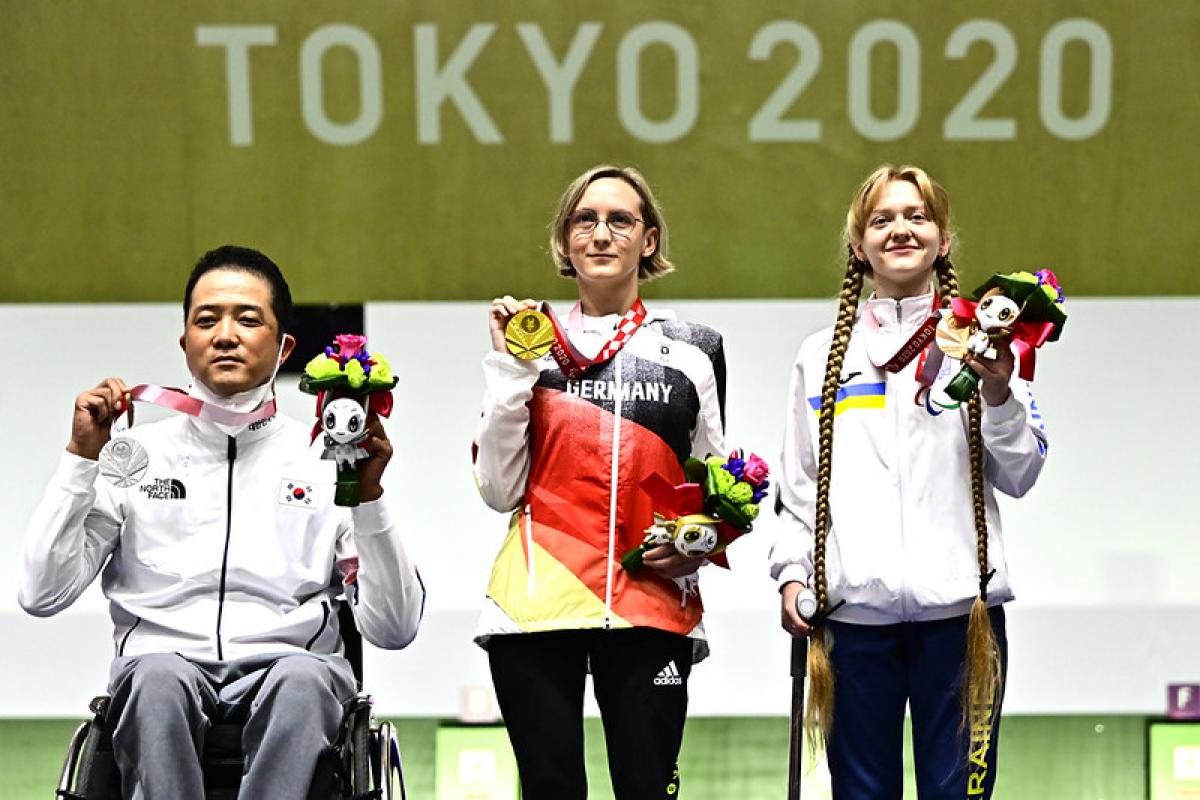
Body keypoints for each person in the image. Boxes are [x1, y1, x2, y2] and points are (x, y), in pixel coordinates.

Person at [18, 245, 425, 800]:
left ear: (284, 348)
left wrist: (369, 494)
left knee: (302, 681)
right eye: (206, 319)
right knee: (159, 679)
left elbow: (395, 628)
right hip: (160, 670)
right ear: (185, 343)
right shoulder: (133, 456)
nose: (225, 334)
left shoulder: (327, 458)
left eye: (247, 318)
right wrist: (79, 459)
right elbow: (41, 594)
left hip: (292, 669)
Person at [771, 166, 1048, 799]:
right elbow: (798, 485)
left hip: (962, 621)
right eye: (882, 219)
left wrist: (1001, 390)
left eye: (917, 216)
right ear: (858, 245)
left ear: (944, 240)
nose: (901, 229)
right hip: (852, 620)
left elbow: (1023, 471)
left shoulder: (984, 343)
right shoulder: (821, 357)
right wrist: (791, 573)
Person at [472, 165, 727, 799]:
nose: (601, 233)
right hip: (536, 603)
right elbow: (497, 490)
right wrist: (510, 371)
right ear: (564, 242)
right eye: (584, 220)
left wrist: (702, 535)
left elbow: (714, 483)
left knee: (648, 788)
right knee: (551, 788)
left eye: (620, 220)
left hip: (651, 600)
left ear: (649, 240)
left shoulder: (695, 348)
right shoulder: (530, 347)